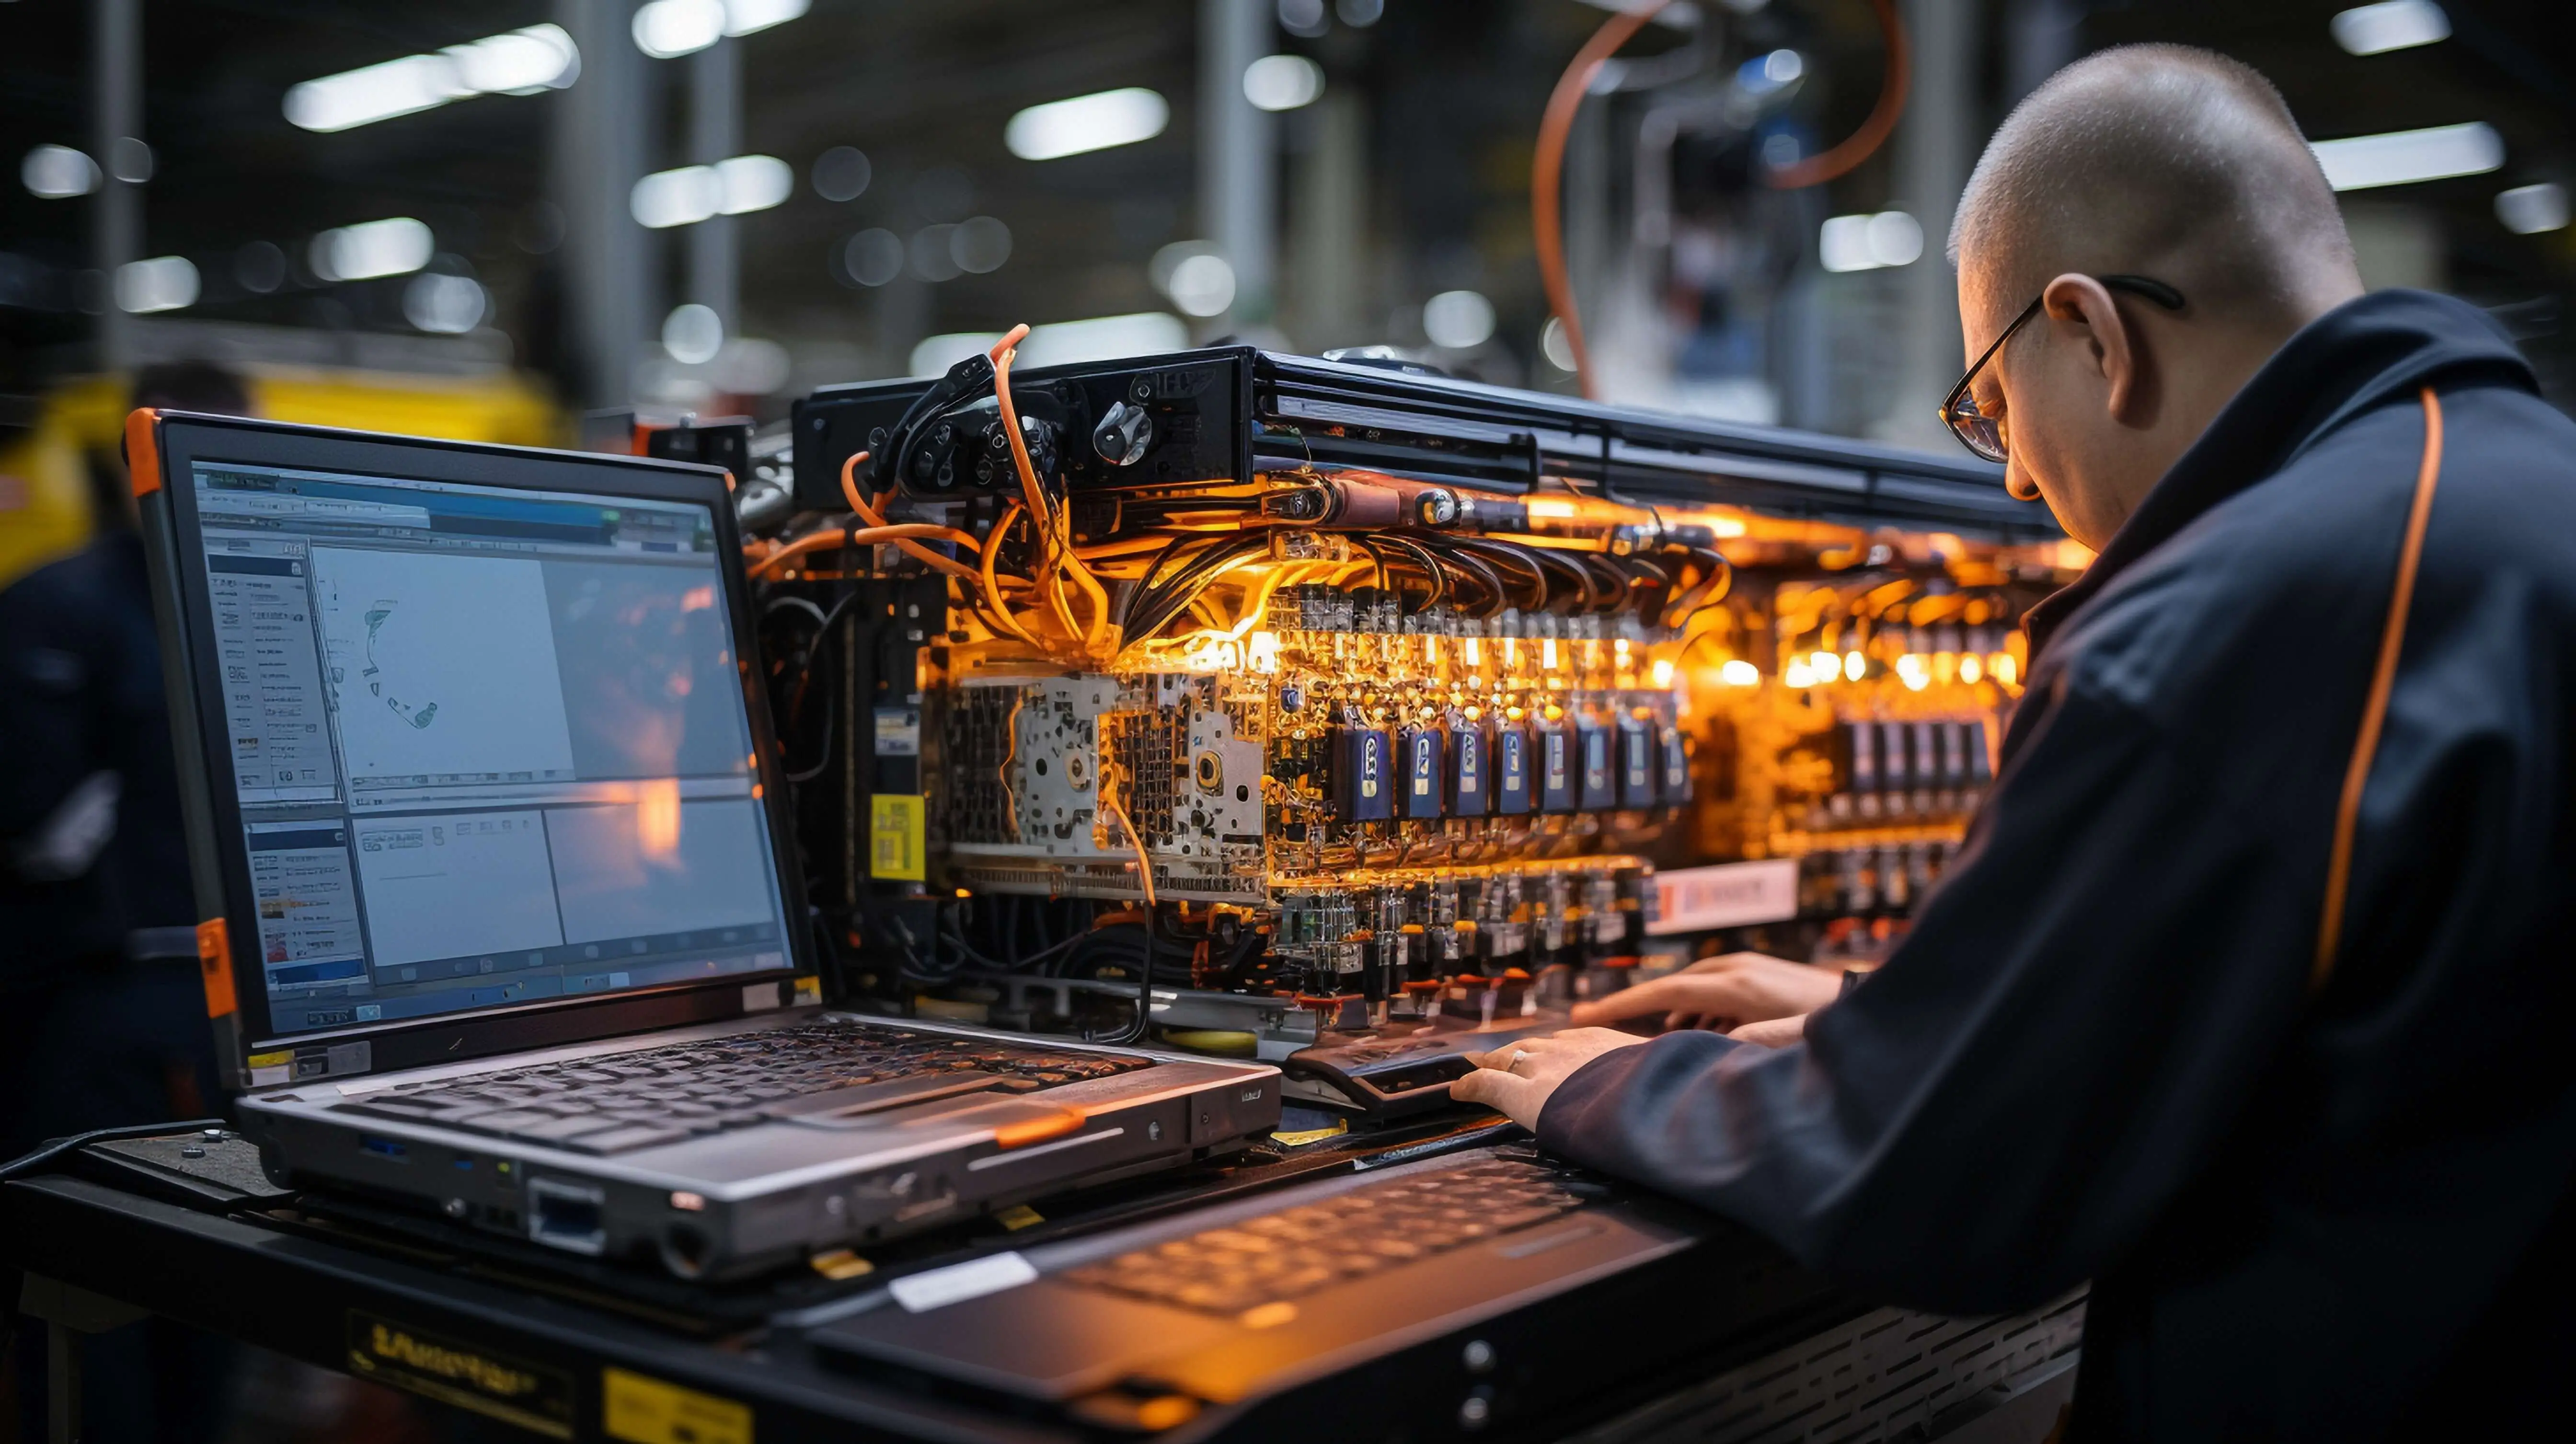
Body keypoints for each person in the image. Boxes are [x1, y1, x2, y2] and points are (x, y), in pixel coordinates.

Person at [1456, 45, 2576, 1440]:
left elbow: (1947, 1182)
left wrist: (1615, 1083)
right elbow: (2372, 1006)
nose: (2024, 484)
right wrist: (1904, 1017)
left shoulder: (2230, 614)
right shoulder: (2515, 496)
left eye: (1991, 411)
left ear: (2092, 332)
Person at [0, 359, 251, 1443]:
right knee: (93, 1297)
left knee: (224, 1285)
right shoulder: (56, 610)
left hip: (235, 1010)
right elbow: (31, 828)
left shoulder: (249, 606)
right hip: (95, 1008)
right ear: (135, 458)